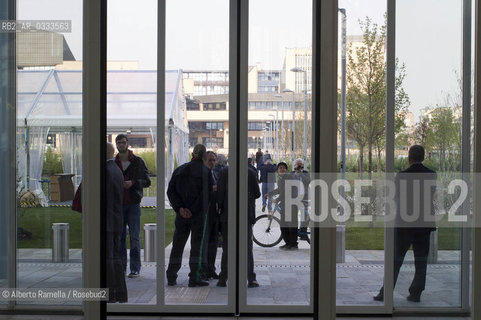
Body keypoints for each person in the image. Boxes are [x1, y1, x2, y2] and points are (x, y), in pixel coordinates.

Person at [373, 145, 437, 303]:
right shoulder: (432, 175)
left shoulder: (402, 175)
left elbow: (396, 197)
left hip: (405, 223)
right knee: (421, 261)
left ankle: (385, 292)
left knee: (396, 260)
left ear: (409, 158)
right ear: (423, 157)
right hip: (424, 223)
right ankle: (416, 293)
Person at [166, 144, 214, 287]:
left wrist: (180, 208)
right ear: (204, 156)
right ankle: (195, 277)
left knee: (178, 245)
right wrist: (192, 210)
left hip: (181, 216)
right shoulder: (205, 172)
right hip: (198, 216)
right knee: (197, 246)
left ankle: (171, 275)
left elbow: (171, 191)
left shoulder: (180, 170)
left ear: (192, 154)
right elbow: (206, 196)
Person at [216, 160, 261, 288]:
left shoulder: (224, 172)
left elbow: (219, 196)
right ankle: (251, 278)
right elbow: (257, 194)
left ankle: (223, 277)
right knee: (247, 248)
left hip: (227, 215)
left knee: (227, 248)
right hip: (245, 215)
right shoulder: (250, 172)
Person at [115, 134, 151, 278]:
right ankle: (121, 267)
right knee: (120, 237)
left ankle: (135, 268)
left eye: (123, 143)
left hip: (133, 204)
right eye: (119, 143)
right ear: (116, 145)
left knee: (135, 236)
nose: (121, 145)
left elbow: (147, 181)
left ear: (127, 144)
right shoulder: (113, 162)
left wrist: (133, 182)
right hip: (118, 204)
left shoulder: (137, 162)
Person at [105, 142, 128, 303]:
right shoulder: (116, 169)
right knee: (114, 258)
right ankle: (119, 293)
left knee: (110, 259)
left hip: (108, 222)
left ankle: (111, 294)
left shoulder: (106, 171)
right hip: (115, 221)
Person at [266, 161, 299, 249]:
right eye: (280, 168)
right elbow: (279, 190)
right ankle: (288, 243)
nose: (282, 169)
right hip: (285, 204)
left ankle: (293, 244)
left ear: (286, 170)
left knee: (291, 225)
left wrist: (277, 199)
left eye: (284, 168)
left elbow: (286, 192)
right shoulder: (281, 180)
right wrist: (269, 193)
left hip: (292, 204)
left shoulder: (289, 177)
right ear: (277, 171)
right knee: (283, 225)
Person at [201, 151, 219, 280]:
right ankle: (204, 269)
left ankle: (211, 268)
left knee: (213, 242)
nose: (212, 162)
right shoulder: (202, 175)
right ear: (204, 161)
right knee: (205, 243)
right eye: (209, 160)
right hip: (204, 214)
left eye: (213, 160)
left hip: (214, 214)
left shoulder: (215, 174)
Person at [292, 158, 311, 241]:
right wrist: (296, 173)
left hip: (304, 198)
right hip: (294, 199)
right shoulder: (292, 173)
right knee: (294, 217)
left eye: (300, 164)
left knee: (305, 217)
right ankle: (294, 234)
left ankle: (303, 233)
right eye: (297, 164)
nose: (299, 166)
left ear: (303, 165)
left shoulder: (306, 173)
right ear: (294, 165)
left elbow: (308, 181)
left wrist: (301, 173)